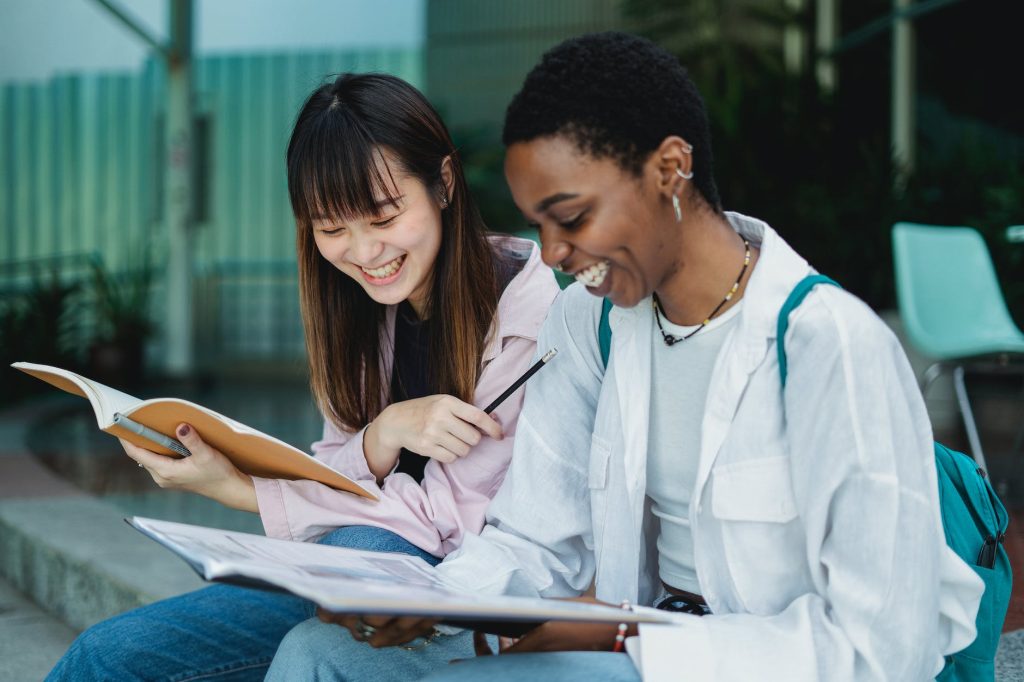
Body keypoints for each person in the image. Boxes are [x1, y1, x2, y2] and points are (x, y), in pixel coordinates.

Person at [269, 32, 984, 681]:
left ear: (670, 170)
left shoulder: (831, 348)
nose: (550, 254)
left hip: (727, 664)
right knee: (317, 655)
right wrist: (429, 601)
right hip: (621, 646)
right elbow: (532, 540)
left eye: (573, 217)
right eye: (538, 223)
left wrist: (626, 642)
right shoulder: (592, 325)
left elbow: (883, 647)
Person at [47, 72, 558, 681]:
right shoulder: (363, 312)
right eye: (332, 228)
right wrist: (377, 439)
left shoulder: (530, 320)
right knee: (106, 656)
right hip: (350, 569)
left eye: (383, 216)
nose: (364, 253)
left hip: (455, 599)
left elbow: (446, 521)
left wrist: (240, 489)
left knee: (351, 568)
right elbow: (330, 465)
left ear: (443, 184)